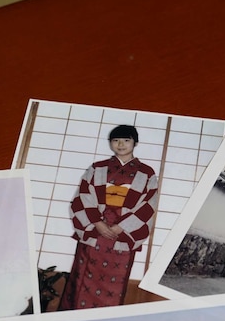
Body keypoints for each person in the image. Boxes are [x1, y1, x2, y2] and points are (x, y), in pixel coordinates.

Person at [59, 124, 159, 310]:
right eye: (116, 140)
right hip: (94, 231)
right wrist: (97, 223)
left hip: (123, 235)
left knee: (115, 285)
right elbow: (82, 197)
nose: (121, 144)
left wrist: (121, 227)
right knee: (81, 281)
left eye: (126, 140)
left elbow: (148, 206)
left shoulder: (147, 173)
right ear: (111, 143)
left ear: (135, 143)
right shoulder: (97, 168)